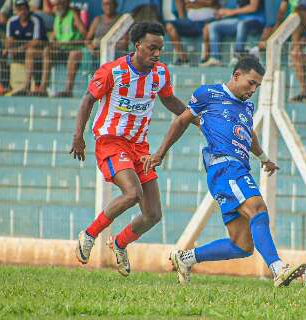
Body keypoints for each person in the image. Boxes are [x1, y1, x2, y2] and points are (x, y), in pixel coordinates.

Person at [145, 56, 306, 287]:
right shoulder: (208, 94)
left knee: (242, 246)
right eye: (251, 83)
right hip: (224, 166)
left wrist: (264, 159)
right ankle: (278, 269)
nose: (253, 90)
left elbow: (248, 135)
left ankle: (185, 258)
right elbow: (181, 122)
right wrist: (160, 153)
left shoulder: (247, 107)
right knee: (258, 209)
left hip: (239, 168)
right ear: (237, 74)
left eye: (257, 86)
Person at [72, 22, 194, 276]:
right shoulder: (112, 72)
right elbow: (87, 100)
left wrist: (195, 117)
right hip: (111, 141)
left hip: (139, 146)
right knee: (131, 194)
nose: (157, 53)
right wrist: (78, 136)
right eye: (152, 48)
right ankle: (90, 234)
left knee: (153, 214)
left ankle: (119, 243)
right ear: (137, 45)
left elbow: (169, 100)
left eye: (160, 48)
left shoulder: (160, 74)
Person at [0, 0, 47, 96]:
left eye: (24, 9)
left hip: (37, 51)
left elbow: (36, 41)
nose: (22, 12)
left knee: (31, 52)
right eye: (19, 9)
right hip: (19, 51)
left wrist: (20, 49)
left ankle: (36, 86)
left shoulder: (36, 20)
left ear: (28, 9)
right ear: (16, 11)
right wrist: (8, 48)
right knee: (4, 55)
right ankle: (5, 86)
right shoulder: (11, 21)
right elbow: (9, 39)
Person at [36, 0, 87, 97]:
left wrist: (67, 43)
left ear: (65, 4)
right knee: (47, 51)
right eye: (55, 5)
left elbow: (84, 33)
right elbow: (54, 36)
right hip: (61, 50)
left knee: (74, 54)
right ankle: (42, 88)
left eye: (60, 4)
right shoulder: (57, 17)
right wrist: (51, 43)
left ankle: (68, 90)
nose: (57, 6)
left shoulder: (73, 14)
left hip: (74, 49)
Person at [200, 0, 265, 67]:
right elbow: (237, 9)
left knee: (241, 24)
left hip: (257, 21)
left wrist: (231, 11)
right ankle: (215, 58)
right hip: (240, 20)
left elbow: (253, 7)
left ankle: (238, 55)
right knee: (213, 26)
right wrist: (223, 13)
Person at [165, 0, 218, 65]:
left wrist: (193, 3)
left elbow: (210, 2)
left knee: (208, 27)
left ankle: (205, 60)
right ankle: (183, 59)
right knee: (169, 26)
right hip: (190, 22)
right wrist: (182, 17)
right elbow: (186, 4)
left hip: (208, 21)